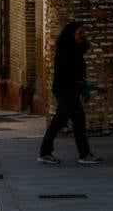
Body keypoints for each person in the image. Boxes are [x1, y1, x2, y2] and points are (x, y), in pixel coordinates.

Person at [38, 21, 102, 165]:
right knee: (79, 119)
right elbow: (67, 72)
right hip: (65, 90)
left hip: (70, 90)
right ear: (71, 34)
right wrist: (80, 82)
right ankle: (84, 154)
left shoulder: (75, 50)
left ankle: (45, 152)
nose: (82, 36)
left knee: (59, 120)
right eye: (79, 33)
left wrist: (82, 83)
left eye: (83, 33)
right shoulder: (64, 51)